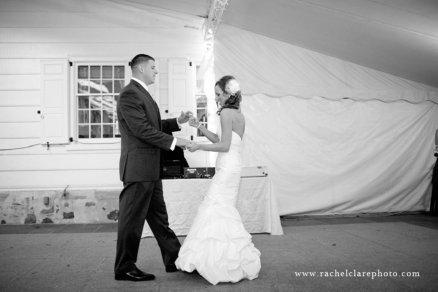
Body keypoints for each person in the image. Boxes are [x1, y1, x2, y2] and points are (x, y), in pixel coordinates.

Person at [175, 76, 261, 285]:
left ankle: (215, 262)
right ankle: (225, 259)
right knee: (221, 208)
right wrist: (200, 128)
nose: (216, 98)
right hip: (232, 166)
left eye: (218, 94)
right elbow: (223, 140)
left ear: (228, 94)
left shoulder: (225, 113)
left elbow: (223, 146)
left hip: (227, 167)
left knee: (215, 206)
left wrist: (198, 146)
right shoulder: (237, 113)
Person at [114, 54, 193, 281]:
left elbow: (153, 126)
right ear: (140, 68)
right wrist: (178, 142)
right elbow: (142, 131)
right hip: (138, 170)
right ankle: (124, 268)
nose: (156, 71)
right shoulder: (130, 94)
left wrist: (178, 122)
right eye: (153, 67)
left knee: (159, 218)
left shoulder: (142, 94)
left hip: (151, 169)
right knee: (131, 221)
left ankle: (175, 260)